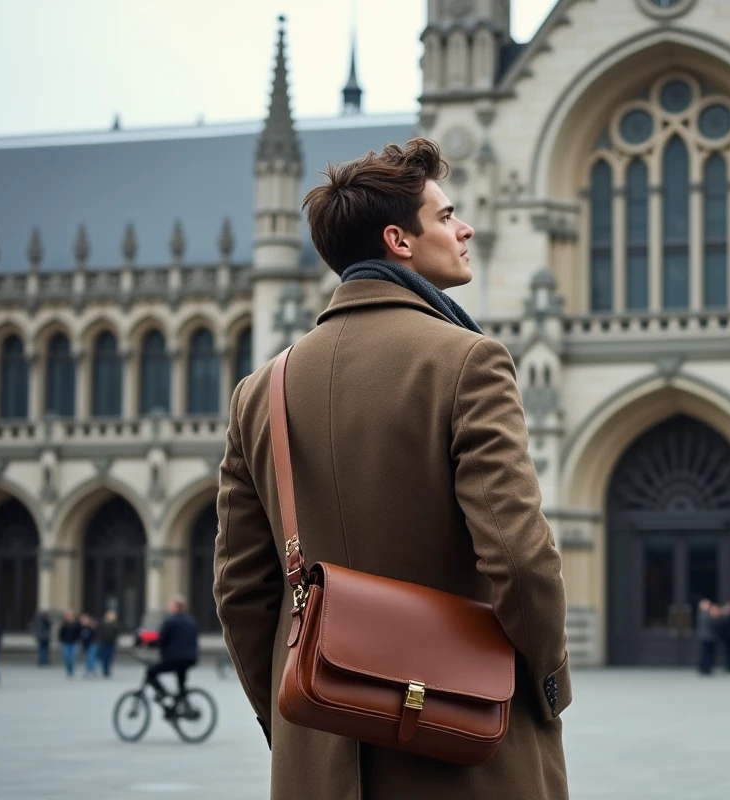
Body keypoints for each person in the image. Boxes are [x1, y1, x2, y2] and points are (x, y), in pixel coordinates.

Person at [214, 138, 571, 800]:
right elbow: (519, 559)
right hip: (462, 745)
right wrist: (549, 683)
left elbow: (241, 593)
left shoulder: (259, 391)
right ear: (398, 241)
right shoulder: (469, 362)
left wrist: (296, 716)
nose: (465, 229)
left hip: (315, 760)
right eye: (446, 216)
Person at [145, 597, 199, 710]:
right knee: (181, 683)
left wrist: (149, 644)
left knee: (150, 672)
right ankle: (183, 706)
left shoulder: (170, 621)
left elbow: (161, 639)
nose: (170, 608)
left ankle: (163, 693)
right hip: (190, 658)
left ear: (175, 608)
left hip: (174, 658)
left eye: (171, 606)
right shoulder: (191, 621)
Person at [696, 599, 719, 676]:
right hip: (709, 637)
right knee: (708, 654)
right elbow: (714, 624)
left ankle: (703, 668)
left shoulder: (700, 614)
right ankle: (706, 668)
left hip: (704, 637)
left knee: (704, 653)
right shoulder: (707, 615)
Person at [58, 610, 82, 678]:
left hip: (74, 642)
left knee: (72, 657)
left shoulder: (76, 624)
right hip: (66, 642)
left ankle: (71, 670)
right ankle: (68, 670)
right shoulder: (64, 624)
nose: (69, 617)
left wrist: (78, 640)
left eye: (70, 616)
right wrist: (61, 640)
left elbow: (79, 632)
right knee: (67, 657)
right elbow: (61, 633)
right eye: (68, 616)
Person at [96, 611, 118, 678]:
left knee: (110, 657)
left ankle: (107, 670)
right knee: (104, 657)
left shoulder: (115, 624)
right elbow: (99, 632)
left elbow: (116, 633)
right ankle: (105, 670)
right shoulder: (103, 623)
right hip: (104, 642)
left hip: (111, 642)